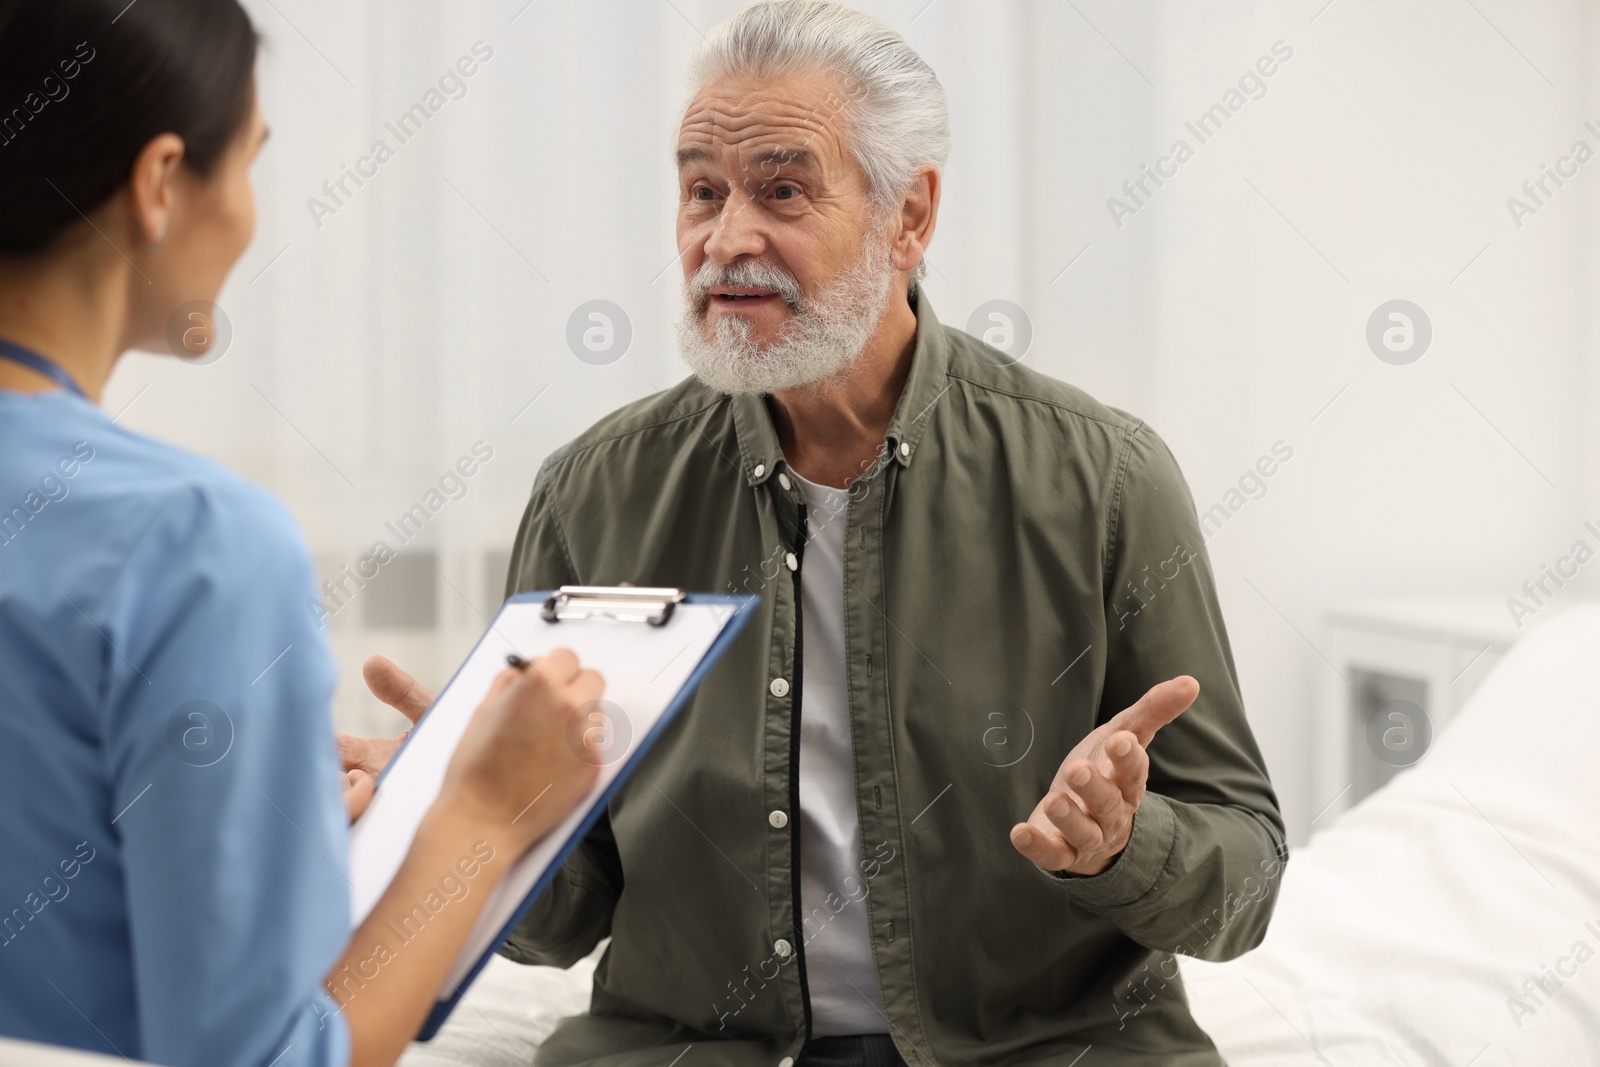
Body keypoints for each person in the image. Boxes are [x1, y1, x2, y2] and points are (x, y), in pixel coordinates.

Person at [355, 3, 1288, 1065]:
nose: (725, 237)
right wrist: (455, 818)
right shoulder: (594, 495)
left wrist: (1126, 842)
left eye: (783, 189)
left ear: (910, 216)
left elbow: (1246, 878)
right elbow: (566, 917)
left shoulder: (1106, 481)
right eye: (702, 190)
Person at [0, 3, 601, 1066]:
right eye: (250, 168)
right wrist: (484, 813)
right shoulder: (192, 541)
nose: (248, 217)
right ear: (158, 183)